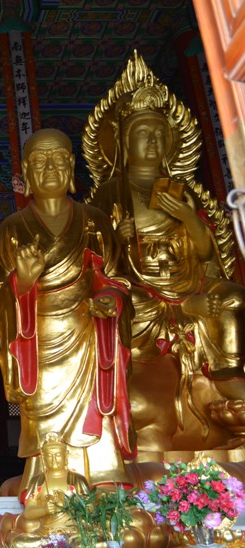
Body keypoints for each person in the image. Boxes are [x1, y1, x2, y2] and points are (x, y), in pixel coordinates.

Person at [85, 55, 245, 451]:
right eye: (144, 134)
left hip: (190, 286)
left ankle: (228, 373)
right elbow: (97, 265)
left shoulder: (183, 189)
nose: (153, 142)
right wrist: (116, 238)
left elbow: (208, 252)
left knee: (233, 298)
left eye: (159, 135)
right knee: (127, 303)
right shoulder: (109, 194)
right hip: (142, 293)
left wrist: (190, 218)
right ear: (124, 142)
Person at [0, 128, 135, 492]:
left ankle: (105, 477)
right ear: (26, 171)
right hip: (35, 339)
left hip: (88, 331)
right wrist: (22, 284)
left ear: (71, 165)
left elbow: (118, 279)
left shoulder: (94, 220)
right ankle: (45, 484)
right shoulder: (12, 228)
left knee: (96, 412)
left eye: (58, 158)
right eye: (39, 161)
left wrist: (111, 299)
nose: (50, 167)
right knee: (43, 414)